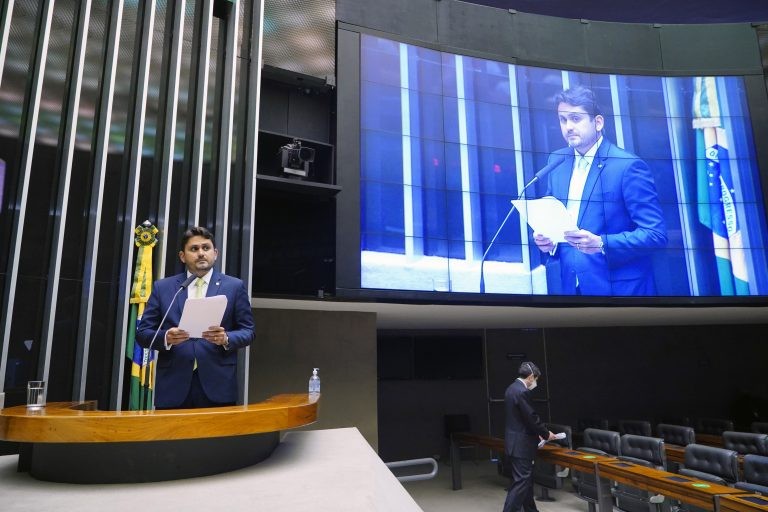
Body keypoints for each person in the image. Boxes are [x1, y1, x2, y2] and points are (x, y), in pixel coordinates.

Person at [533, 85, 667, 296]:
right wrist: (549, 242)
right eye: (563, 119)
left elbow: (655, 234)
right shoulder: (557, 161)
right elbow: (558, 224)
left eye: (575, 119)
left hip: (621, 291)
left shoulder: (628, 166)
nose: (568, 126)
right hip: (572, 287)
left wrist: (602, 243)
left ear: (598, 122)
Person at [136, 226, 254, 409]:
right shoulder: (164, 288)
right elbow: (143, 333)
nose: (201, 253)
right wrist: (166, 338)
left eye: (206, 248)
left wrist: (226, 338)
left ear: (215, 253)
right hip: (173, 386)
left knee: (216, 438)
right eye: (194, 249)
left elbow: (248, 331)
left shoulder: (234, 287)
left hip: (218, 384)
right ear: (183, 256)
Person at [503, 362, 556, 512]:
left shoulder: (511, 389)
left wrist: (536, 434)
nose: (535, 383)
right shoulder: (522, 391)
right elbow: (531, 417)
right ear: (531, 376)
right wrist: (546, 433)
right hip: (522, 446)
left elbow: (520, 420)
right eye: (536, 379)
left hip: (513, 443)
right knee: (521, 483)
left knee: (524, 481)